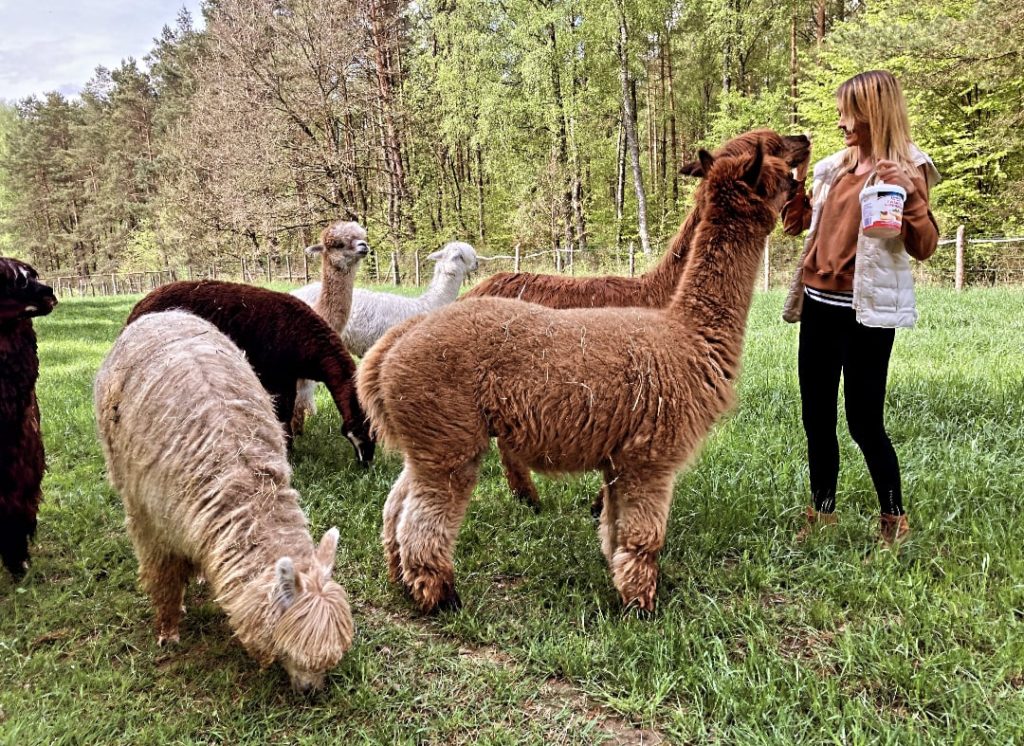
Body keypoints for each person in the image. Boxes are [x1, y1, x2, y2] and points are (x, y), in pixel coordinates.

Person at [781, 70, 940, 547]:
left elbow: (925, 246)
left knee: (864, 422)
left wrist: (911, 194)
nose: (840, 123)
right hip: (817, 306)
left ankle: (893, 519)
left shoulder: (908, 168)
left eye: (847, 114)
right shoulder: (834, 168)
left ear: (873, 112)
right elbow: (796, 225)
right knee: (816, 418)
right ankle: (822, 513)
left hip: (864, 313)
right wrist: (797, 182)